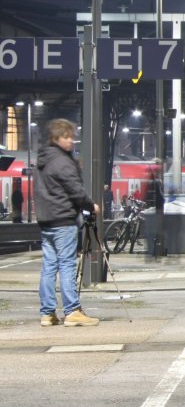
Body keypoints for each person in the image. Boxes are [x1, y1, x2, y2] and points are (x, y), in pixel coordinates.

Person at [35, 118, 99, 327]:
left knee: (49, 267)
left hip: (46, 221)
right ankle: (72, 311)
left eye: (72, 136)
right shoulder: (62, 162)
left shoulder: (43, 160)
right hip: (63, 220)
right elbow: (75, 191)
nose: (71, 140)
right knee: (67, 264)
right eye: (66, 137)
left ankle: (47, 313)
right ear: (55, 138)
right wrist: (91, 206)